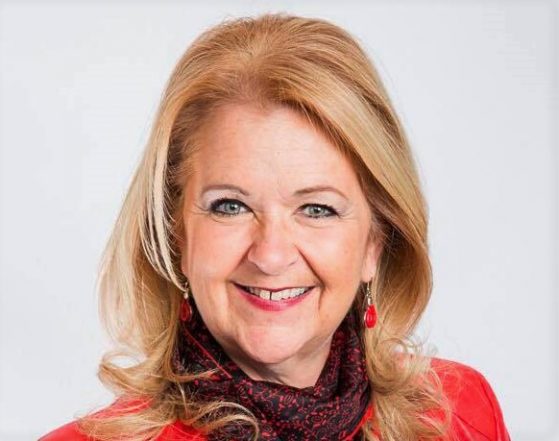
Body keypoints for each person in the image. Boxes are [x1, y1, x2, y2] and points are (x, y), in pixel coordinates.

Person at [40, 13, 511, 441]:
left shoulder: (462, 413)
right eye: (230, 206)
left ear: (374, 241)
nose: (270, 255)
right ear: (175, 233)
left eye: (317, 209)